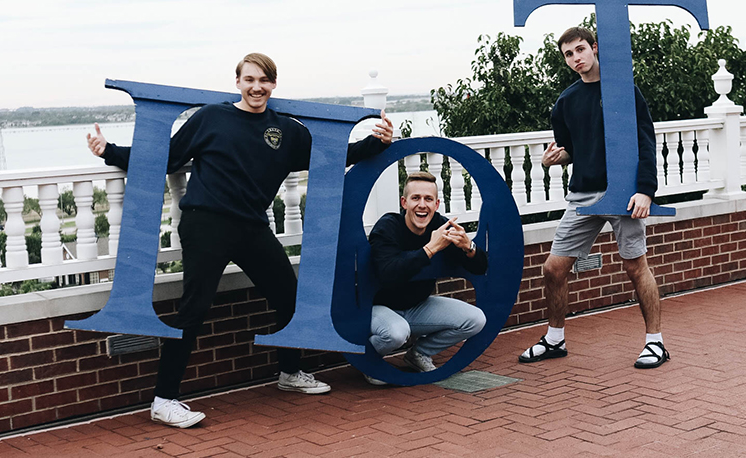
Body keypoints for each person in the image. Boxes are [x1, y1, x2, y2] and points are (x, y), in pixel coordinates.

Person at [87, 53, 394, 427]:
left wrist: (375, 144)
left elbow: (332, 157)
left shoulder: (287, 130)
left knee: (291, 299)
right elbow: (165, 158)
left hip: (251, 226)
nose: (256, 87)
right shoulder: (211, 117)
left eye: (264, 80)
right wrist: (109, 152)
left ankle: (289, 374)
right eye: (249, 79)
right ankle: (163, 400)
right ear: (237, 82)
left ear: (274, 85)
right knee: (194, 309)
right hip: (206, 223)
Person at [517, 27, 669, 370]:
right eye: (568, 54)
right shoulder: (566, 101)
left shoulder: (623, 92)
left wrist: (645, 189)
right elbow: (572, 150)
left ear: (594, 47)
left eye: (580, 50)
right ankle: (555, 339)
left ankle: (655, 343)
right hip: (583, 193)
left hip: (623, 192)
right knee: (554, 268)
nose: (576, 59)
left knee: (635, 266)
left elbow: (646, 142)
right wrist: (554, 159)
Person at [366, 171, 487, 385]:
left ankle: (418, 354)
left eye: (428, 199)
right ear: (404, 202)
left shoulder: (440, 226)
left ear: (437, 203)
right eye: (416, 198)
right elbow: (388, 273)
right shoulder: (387, 227)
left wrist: (469, 247)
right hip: (378, 307)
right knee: (396, 333)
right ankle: (367, 360)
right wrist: (430, 249)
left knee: (476, 320)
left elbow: (479, 268)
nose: (422, 205)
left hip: (416, 306)